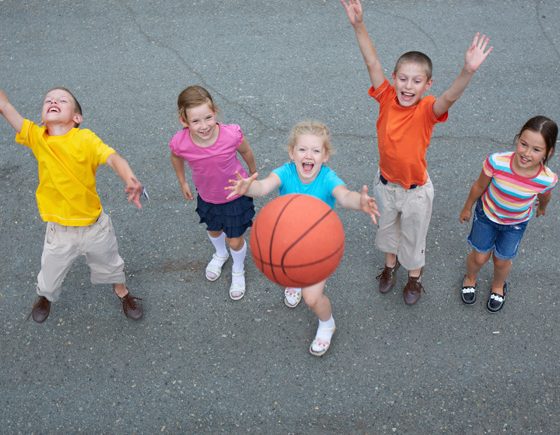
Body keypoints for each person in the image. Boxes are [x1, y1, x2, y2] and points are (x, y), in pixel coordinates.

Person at [341, 0, 493, 304]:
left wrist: (467, 70)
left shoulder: (427, 109)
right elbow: (372, 63)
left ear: (427, 85)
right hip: (386, 185)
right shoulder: (385, 96)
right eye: (403, 78)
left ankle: (414, 278)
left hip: (416, 191)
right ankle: (389, 267)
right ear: (394, 77)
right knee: (387, 233)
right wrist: (359, 25)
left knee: (414, 238)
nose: (408, 86)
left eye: (417, 81)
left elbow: (449, 98)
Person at [226, 120, 379, 356]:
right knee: (289, 267)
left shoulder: (327, 178)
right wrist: (248, 188)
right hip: (287, 242)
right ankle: (293, 282)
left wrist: (359, 202)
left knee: (311, 297)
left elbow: (344, 195)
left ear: (325, 156)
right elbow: (264, 187)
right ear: (292, 152)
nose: (309, 155)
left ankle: (327, 323)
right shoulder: (285, 172)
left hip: (318, 248)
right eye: (302, 149)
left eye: (316, 151)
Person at [0, 87, 144, 323]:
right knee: (49, 275)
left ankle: (122, 292)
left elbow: (113, 158)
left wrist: (129, 177)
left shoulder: (85, 138)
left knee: (111, 265)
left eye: (62, 100)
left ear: (77, 118)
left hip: (94, 227)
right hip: (59, 231)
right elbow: (5, 107)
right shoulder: (37, 137)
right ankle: (45, 297)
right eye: (48, 100)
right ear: (42, 116)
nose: (53, 101)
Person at [459, 116, 557, 312]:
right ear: (517, 138)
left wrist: (542, 208)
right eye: (523, 144)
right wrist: (467, 207)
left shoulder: (547, 178)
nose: (527, 153)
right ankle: (470, 277)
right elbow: (479, 186)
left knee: (502, 260)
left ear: (548, 152)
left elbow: (545, 196)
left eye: (536, 150)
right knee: (479, 257)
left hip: (515, 224)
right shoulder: (497, 162)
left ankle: (498, 285)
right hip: (487, 216)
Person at [169, 85, 257, 300]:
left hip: (235, 196)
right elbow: (175, 157)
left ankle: (238, 268)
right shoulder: (180, 143)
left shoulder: (230, 134)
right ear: (184, 121)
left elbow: (245, 151)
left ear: (215, 111)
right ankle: (220, 253)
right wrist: (182, 181)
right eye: (196, 121)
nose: (204, 125)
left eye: (208, 118)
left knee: (235, 239)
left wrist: (253, 174)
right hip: (207, 196)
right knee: (214, 230)